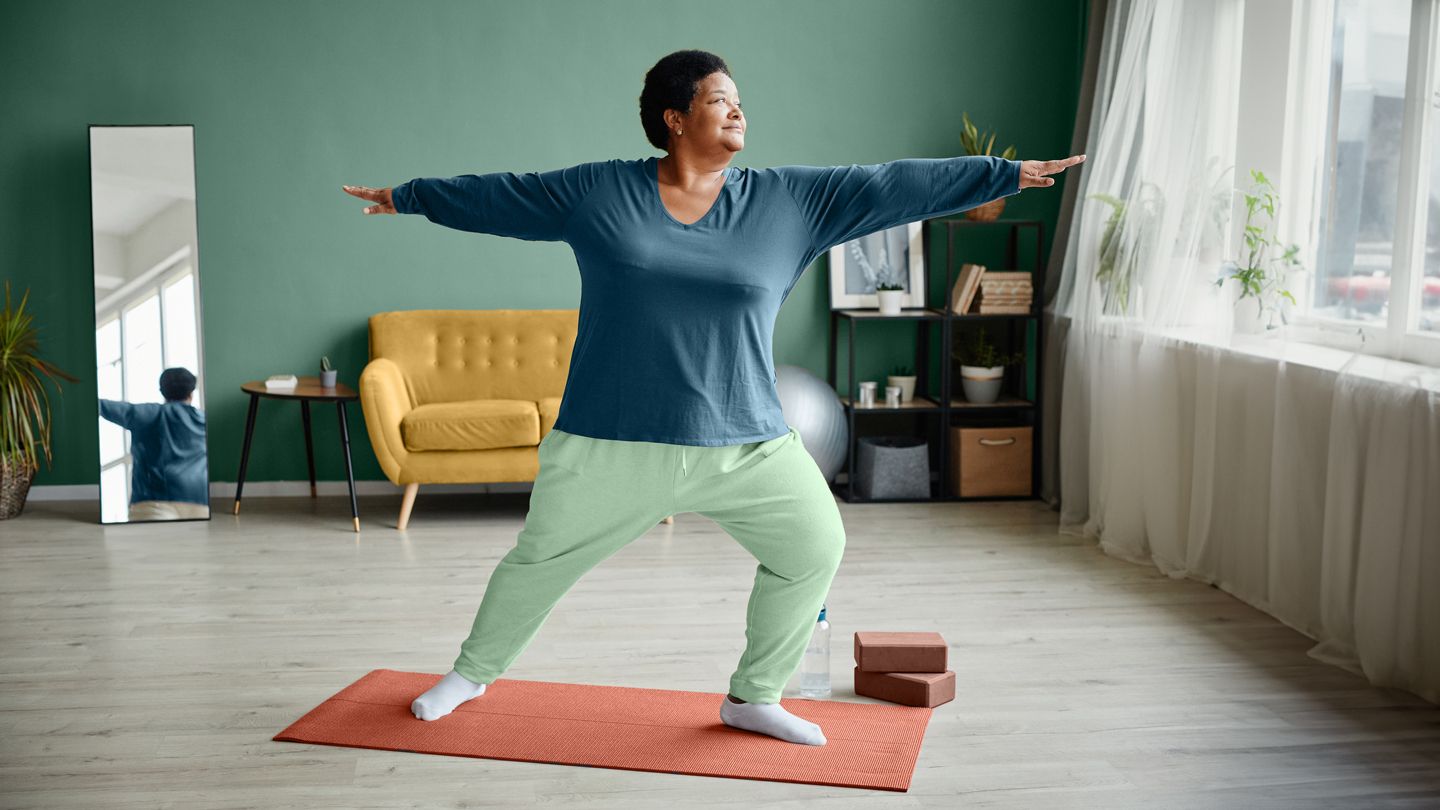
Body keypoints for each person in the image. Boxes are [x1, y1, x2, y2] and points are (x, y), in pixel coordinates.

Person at [344, 49, 1084, 746]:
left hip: (746, 439)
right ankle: (471, 676)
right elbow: (501, 196)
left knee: (815, 546)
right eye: (719, 100)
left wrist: (1002, 174)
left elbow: (890, 183)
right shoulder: (602, 192)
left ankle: (754, 697)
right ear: (674, 117)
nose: (738, 113)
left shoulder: (791, 201)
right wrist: (407, 197)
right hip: (613, 439)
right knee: (538, 563)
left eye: (740, 103)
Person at [98, 367, 209, 521]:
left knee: (151, 545)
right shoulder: (203, 419)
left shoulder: (148, 414)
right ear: (191, 394)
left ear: (162, 392)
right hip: (200, 500)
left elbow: (101, 406)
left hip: (154, 502)